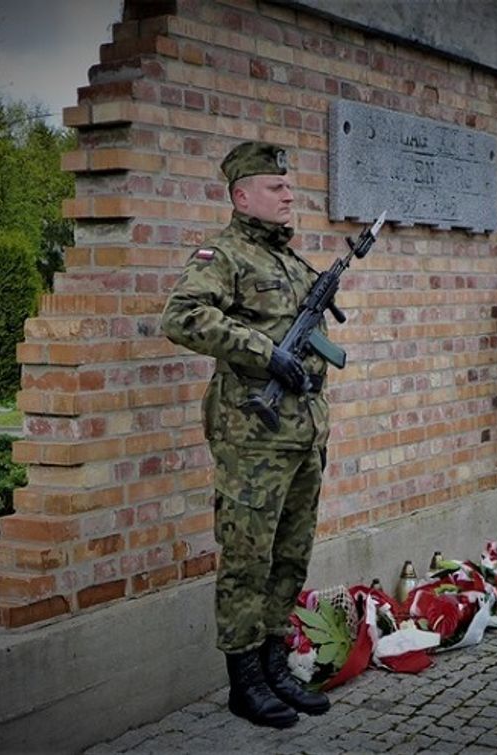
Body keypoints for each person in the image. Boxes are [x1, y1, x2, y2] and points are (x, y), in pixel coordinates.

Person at [160, 141, 331, 729]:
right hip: (252, 435)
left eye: (288, 185)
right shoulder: (222, 256)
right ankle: (244, 680)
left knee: (290, 553)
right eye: (275, 186)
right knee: (246, 558)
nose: (289, 193)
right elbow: (182, 316)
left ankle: (276, 662)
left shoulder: (288, 260)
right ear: (241, 195)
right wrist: (263, 353)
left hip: (303, 432)